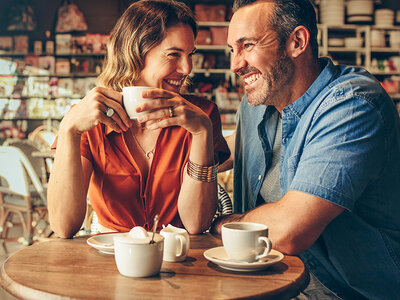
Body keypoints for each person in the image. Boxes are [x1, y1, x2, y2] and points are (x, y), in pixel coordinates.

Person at [213, 0, 400, 299]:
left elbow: (289, 229)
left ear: (297, 42)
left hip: (344, 292)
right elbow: (228, 150)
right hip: (270, 282)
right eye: (232, 50)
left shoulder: (352, 104)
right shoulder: (257, 106)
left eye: (247, 45)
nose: (235, 64)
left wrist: (219, 224)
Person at [47, 0, 230, 238]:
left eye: (190, 54)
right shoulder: (89, 119)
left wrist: (202, 132)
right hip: (111, 259)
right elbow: (63, 226)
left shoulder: (202, 116)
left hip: (182, 261)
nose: (187, 68)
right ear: (135, 53)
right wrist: (69, 129)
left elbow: (196, 223)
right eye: (173, 54)